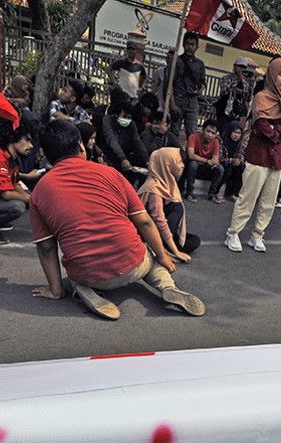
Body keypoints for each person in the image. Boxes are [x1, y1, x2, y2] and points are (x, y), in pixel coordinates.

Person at [30, 121, 204, 320]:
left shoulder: (39, 191)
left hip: (89, 273)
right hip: (133, 263)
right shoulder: (111, 173)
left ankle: (84, 291)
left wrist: (55, 290)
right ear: (80, 146)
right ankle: (167, 286)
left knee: (73, 274)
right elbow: (145, 222)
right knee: (150, 259)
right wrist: (163, 256)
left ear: (46, 154)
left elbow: (45, 247)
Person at [225, 58, 281, 254]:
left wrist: (275, 130)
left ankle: (257, 234)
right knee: (248, 198)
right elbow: (261, 126)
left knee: (269, 201)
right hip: (258, 154)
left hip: (276, 157)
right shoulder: (261, 97)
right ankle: (233, 233)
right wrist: (277, 132)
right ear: (271, 74)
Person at [138, 148, 200, 260]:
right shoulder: (154, 188)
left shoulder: (167, 182)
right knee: (177, 207)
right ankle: (162, 249)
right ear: (167, 164)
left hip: (160, 230)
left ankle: (167, 245)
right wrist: (176, 252)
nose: (182, 166)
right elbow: (160, 221)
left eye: (182, 162)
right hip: (149, 234)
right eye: (179, 162)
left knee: (194, 240)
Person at [100, 100, 149, 185]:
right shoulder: (107, 121)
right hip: (108, 154)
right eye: (124, 116)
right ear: (117, 114)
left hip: (123, 155)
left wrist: (147, 160)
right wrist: (123, 158)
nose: (126, 120)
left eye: (129, 118)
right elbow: (112, 140)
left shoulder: (131, 125)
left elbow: (137, 142)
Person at [170, 33, 207, 138]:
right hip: (178, 100)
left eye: (192, 44)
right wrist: (172, 104)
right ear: (183, 44)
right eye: (187, 44)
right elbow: (170, 84)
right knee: (174, 132)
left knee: (191, 133)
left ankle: (189, 154)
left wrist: (200, 90)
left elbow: (203, 82)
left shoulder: (200, 64)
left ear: (197, 47)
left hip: (192, 102)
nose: (189, 47)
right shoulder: (176, 61)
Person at [182, 119, 224, 203]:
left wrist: (213, 162)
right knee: (193, 164)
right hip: (191, 167)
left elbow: (215, 159)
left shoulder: (216, 142)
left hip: (204, 168)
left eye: (213, 133)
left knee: (220, 168)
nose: (210, 135)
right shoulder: (193, 137)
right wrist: (207, 160)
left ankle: (212, 194)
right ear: (202, 130)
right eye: (208, 131)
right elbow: (191, 155)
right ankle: (189, 192)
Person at [215, 57, 255, 133]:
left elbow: (248, 98)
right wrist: (237, 80)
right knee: (222, 131)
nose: (241, 69)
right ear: (235, 66)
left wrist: (251, 84)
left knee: (232, 133)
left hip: (236, 113)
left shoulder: (245, 83)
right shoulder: (226, 78)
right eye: (239, 66)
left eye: (243, 67)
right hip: (224, 111)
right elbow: (224, 92)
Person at [217, 121, 246, 201]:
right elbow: (220, 158)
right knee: (227, 169)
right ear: (230, 131)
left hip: (234, 166)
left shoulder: (240, 144)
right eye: (234, 132)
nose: (236, 135)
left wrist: (240, 160)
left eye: (239, 133)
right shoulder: (221, 140)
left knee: (241, 168)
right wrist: (232, 160)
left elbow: (242, 155)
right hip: (222, 164)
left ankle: (234, 193)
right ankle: (216, 192)